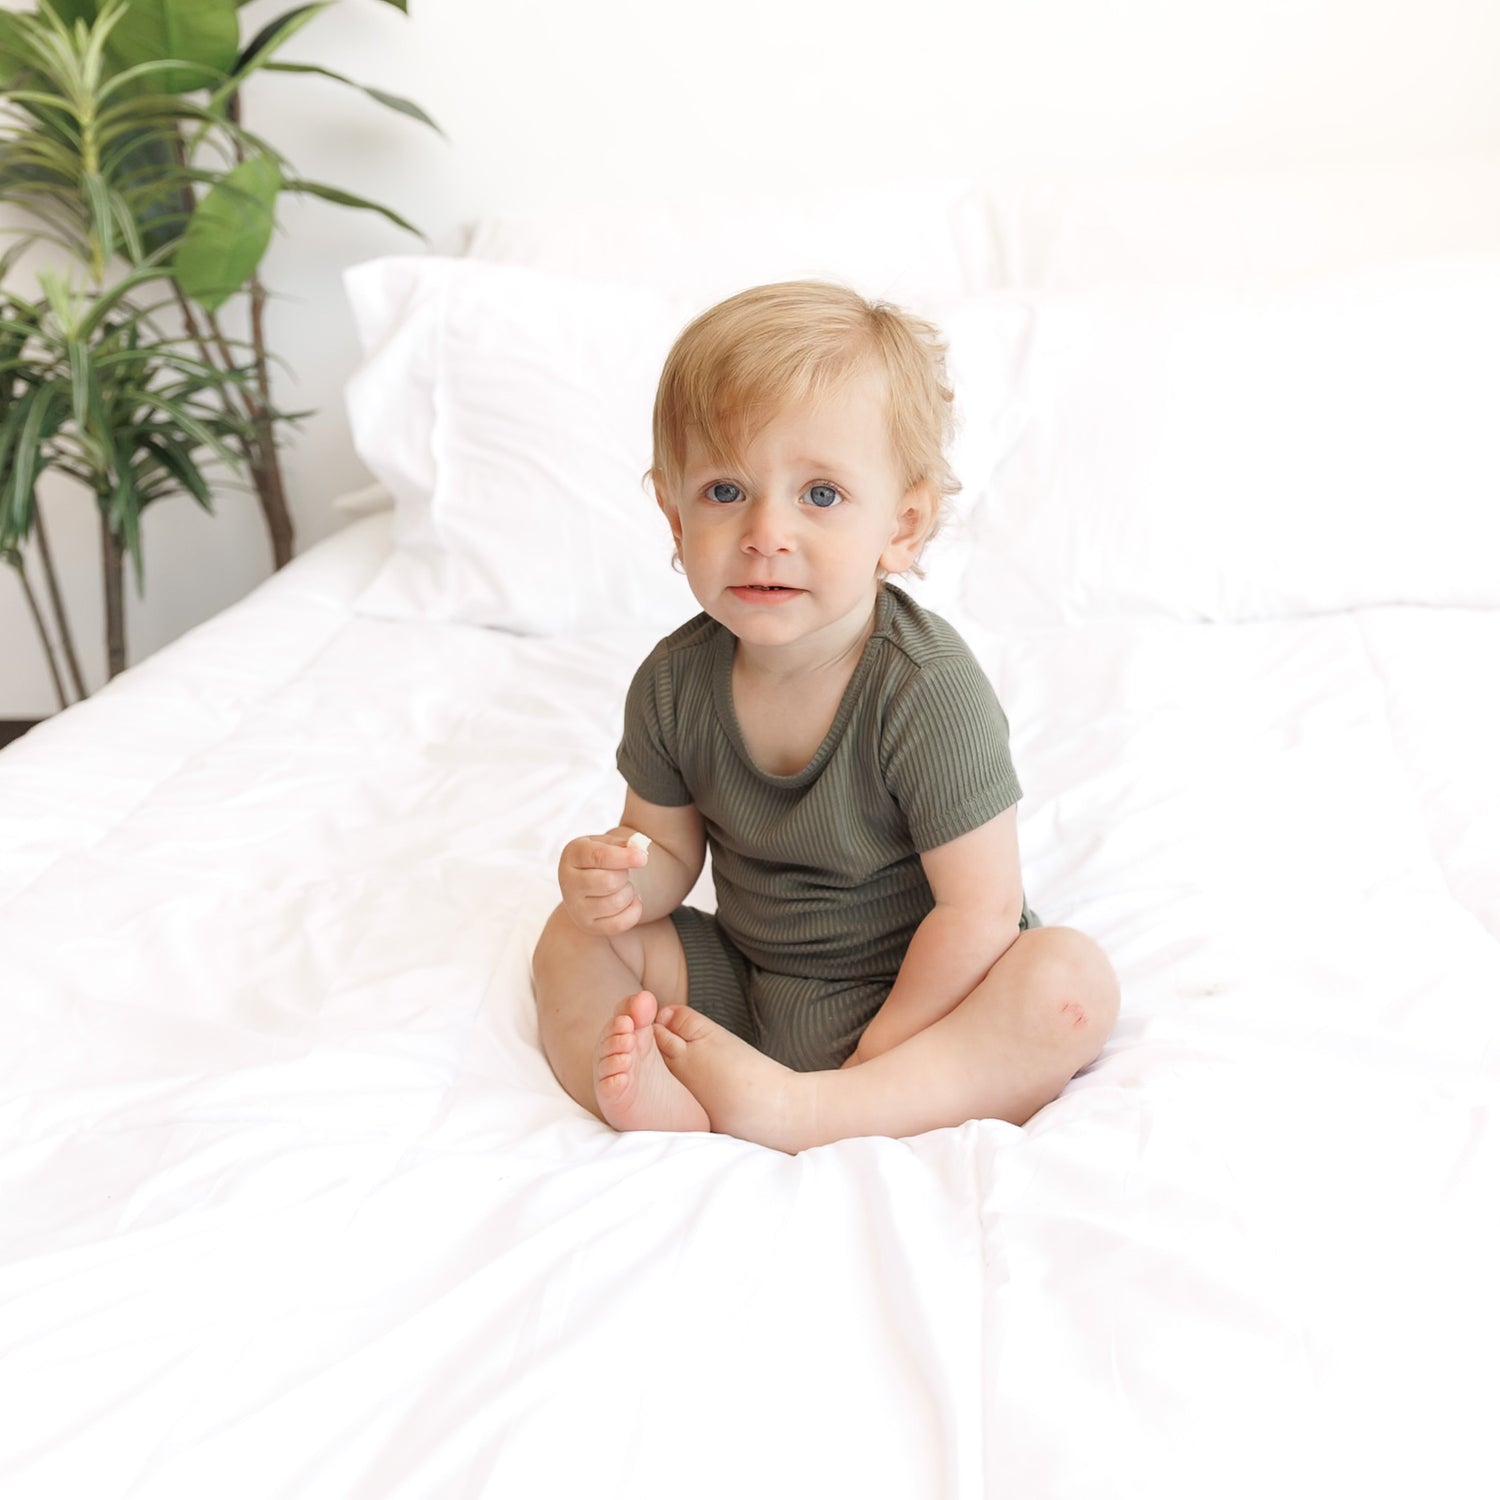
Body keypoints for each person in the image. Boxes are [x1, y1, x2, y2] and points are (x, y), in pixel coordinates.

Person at [531, 280, 1119, 1154]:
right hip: (748, 983)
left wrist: (877, 1059)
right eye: (725, 491)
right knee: (570, 937)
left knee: (1070, 982)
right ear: (673, 515)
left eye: (821, 495)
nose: (766, 532)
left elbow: (981, 913)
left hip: (924, 1000)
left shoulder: (925, 689)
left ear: (902, 526)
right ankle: (652, 1093)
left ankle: (819, 1111)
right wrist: (619, 881)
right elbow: (667, 854)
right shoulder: (673, 683)